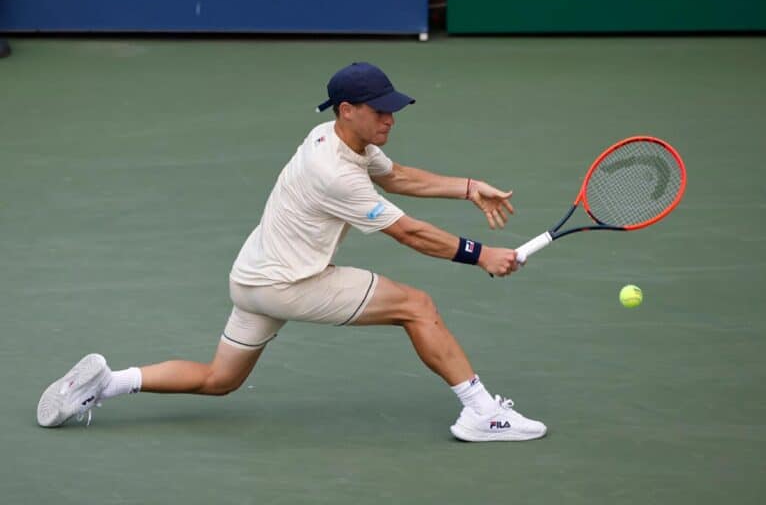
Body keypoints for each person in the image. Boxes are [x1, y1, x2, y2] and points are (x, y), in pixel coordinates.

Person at [36, 62, 547, 442]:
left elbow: (399, 177)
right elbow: (409, 234)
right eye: (380, 109)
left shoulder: (335, 138)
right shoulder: (336, 174)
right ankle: (481, 412)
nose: (391, 116)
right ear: (349, 111)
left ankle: (107, 383)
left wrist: (468, 186)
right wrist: (479, 254)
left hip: (252, 278)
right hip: (289, 285)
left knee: (220, 380)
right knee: (417, 307)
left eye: (392, 107)